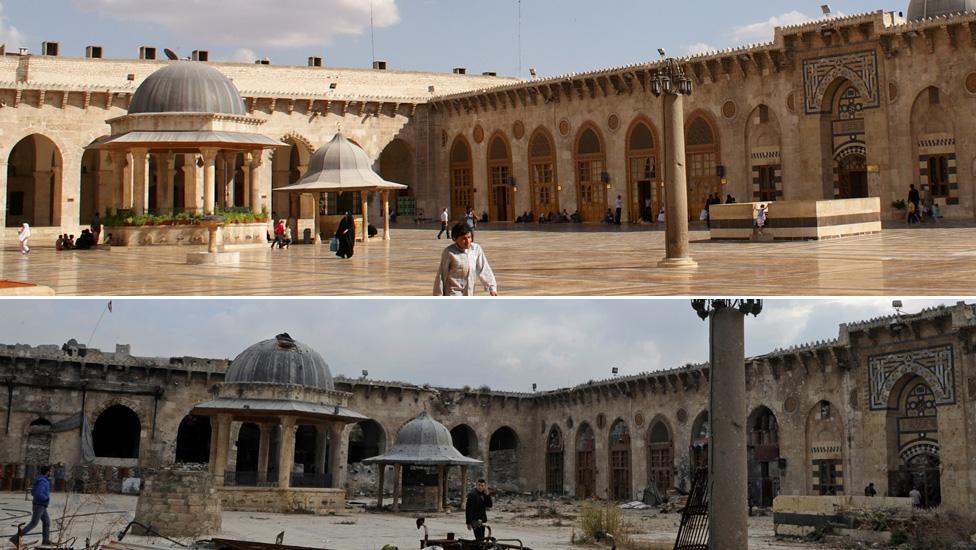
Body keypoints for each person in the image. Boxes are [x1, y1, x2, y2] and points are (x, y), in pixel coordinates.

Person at [433, 223, 497, 296]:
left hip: (469, 293)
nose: (467, 241)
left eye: (469, 237)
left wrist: (492, 287)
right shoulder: (449, 252)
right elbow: (441, 275)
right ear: (454, 239)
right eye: (464, 239)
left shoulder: (476, 249)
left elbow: (484, 269)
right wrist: (438, 296)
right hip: (453, 293)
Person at [10, 464, 51, 546]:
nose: (51, 472)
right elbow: (37, 493)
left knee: (47, 522)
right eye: (50, 471)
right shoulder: (42, 481)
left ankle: (45, 541)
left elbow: (33, 491)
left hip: (42, 505)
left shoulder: (40, 479)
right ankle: (15, 538)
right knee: (34, 523)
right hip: (39, 505)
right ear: (47, 472)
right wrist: (45, 498)